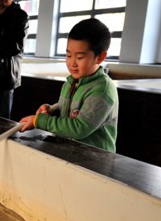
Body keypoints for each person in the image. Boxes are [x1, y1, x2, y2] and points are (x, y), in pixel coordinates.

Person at [19, 18, 118, 152]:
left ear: (100, 57)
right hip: (71, 152)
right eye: (69, 55)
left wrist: (40, 121)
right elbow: (65, 107)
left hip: (95, 160)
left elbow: (79, 128)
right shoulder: (72, 82)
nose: (72, 63)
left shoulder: (102, 90)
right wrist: (51, 110)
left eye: (79, 57)